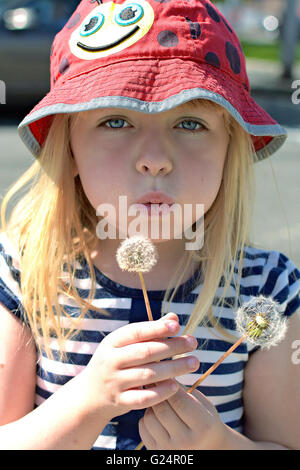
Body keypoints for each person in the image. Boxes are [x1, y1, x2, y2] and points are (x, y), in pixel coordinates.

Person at [0, 0, 300, 450]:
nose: (155, 160)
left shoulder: (267, 289)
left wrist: (218, 445)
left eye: (191, 122)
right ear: (69, 150)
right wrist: (86, 403)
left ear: (229, 150)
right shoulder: (27, 272)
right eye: (116, 121)